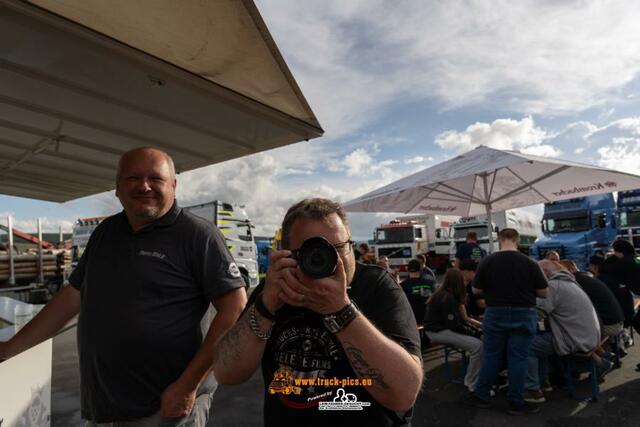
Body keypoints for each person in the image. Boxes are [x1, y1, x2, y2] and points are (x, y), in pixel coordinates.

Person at [0, 147, 248, 426]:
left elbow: (234, 308)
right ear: (117, 188)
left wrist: (188, 385)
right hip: (106, 404)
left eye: (155, 178)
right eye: (133, 178)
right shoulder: (105, 234)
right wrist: (8, 350)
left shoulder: (197, 235)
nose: (144, 186)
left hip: (166, 407)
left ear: (173, 186)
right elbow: (71, 299)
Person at [212, 198, 423, 426]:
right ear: (287, 255)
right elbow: (226, 373)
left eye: (338, 248)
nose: (327, 259)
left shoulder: (376, 287)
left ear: (351, 247)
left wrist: (342, 310)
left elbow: (403, 396)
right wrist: (265, 306)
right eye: (312, 251)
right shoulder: (276, 288)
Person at [471, 228, 549, 415]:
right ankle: (515, 401)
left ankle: (482, 396)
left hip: (495, 313)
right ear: (517, 240)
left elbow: (475, 290)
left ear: (499, 239)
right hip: (523, 313)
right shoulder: (530, 263)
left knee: (491, 356)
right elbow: (544, 293)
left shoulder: (487, 261)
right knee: (518, 358)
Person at [524, 260, 602, 403]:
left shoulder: (553, 286)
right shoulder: (570, 282)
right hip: (588, 335)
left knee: (526, 345)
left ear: (545, 273)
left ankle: (532, 390)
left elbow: (537, 313)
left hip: (576, 339)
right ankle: (542, 382)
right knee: (537, 341)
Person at [423, 269, 483, 393]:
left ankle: (473, 379)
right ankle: (472, 382)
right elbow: (455, 325)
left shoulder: (445, 293)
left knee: (478, 344)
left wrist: (475, 331)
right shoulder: (448, 298)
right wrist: (476, 333)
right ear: (458, 282)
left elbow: (459, 322)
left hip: (438, 329)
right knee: (478, 346)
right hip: (437, 332)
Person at [558, 260, 624, 339]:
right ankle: (600, 351)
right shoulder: (586, 277)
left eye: (560, 272)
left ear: (571, 269)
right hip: (617, 322)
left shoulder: (576, 282)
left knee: (566, 331)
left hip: (609, 326)